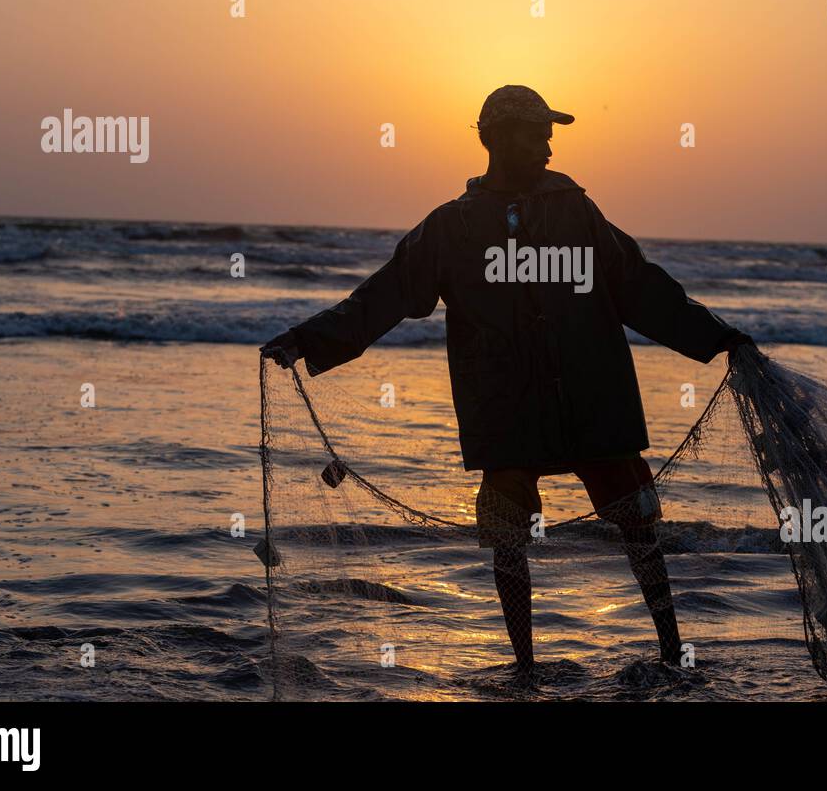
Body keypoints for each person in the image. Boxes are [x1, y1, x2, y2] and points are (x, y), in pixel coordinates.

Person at [263, 85, 751, 676]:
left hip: (593, 396)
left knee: (638, 525)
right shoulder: (452, 228)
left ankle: (673, 651)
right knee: (506, 539)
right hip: (504, 405)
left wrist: (718, 336)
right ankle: (525, 665)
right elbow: (382, 296)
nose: (547, 142)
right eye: (533, 131)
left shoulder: (578, 211)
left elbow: (641, 287)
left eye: (549, 132)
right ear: (493, 138)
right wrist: (307, 340)